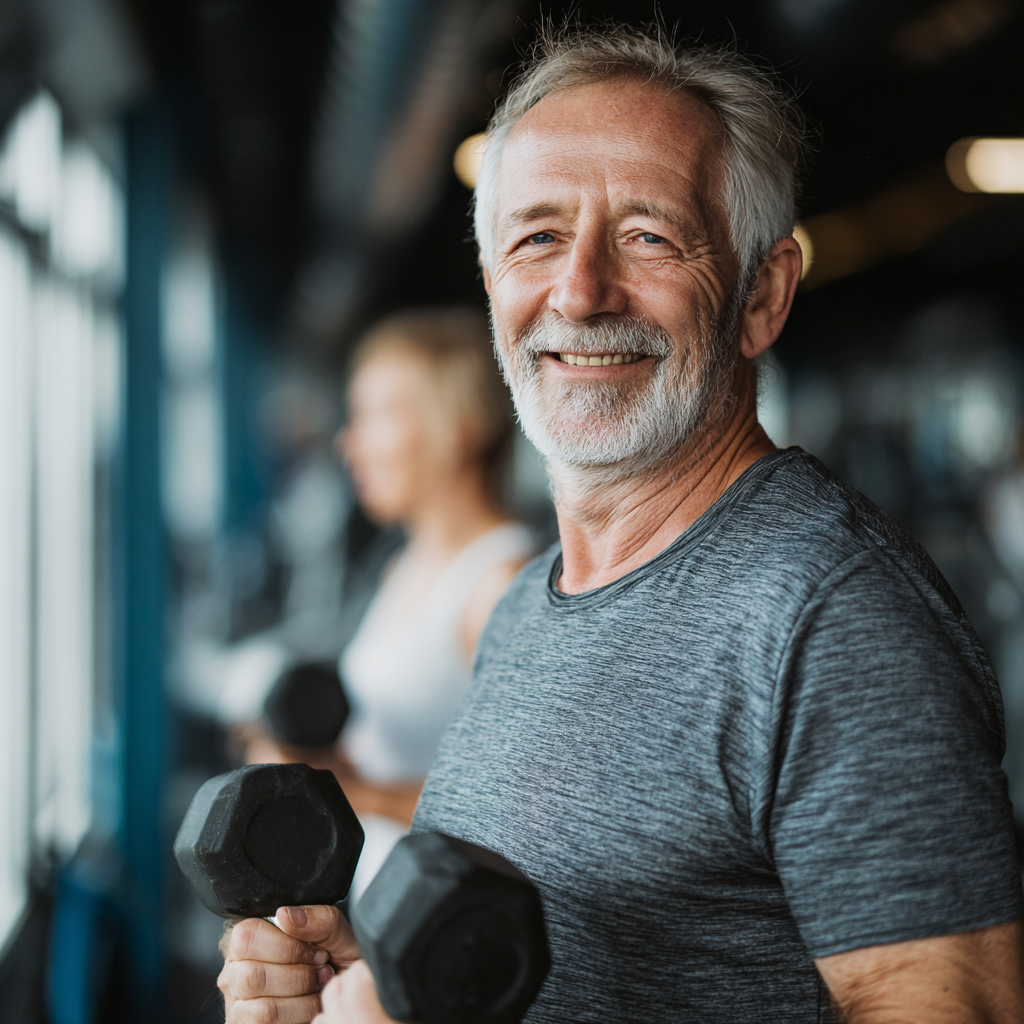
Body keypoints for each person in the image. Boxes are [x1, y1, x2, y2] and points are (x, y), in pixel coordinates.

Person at [218, 26, 1024, 1024]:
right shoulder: (529, 605)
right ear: (493, 285)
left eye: (648, 236)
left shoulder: (832, 618)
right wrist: (372, 979)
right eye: (538, 237)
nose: (580, 291)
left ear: (762, 295)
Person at [230, 307, 535, 894]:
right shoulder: (404, 564)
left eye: (375, 416)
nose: (348, 443)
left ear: (459, 428)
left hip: (453, 922)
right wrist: (309, 755)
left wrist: (345, 788)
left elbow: (523, 810)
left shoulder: (500, 583)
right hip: (384, 905)